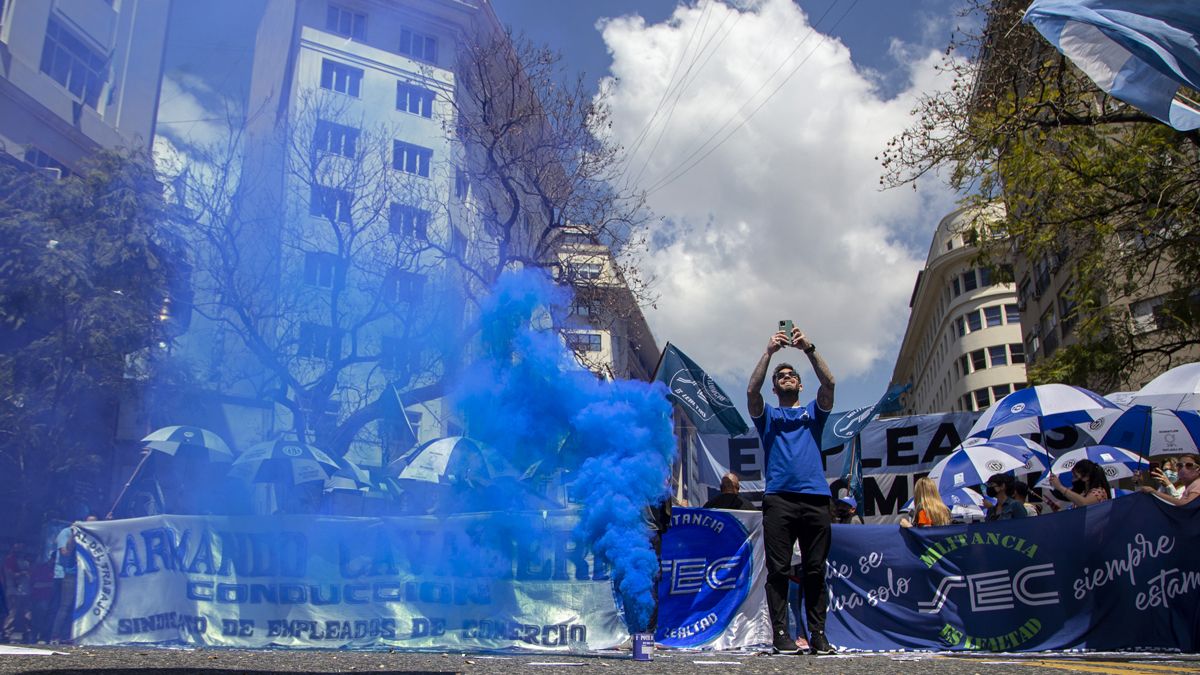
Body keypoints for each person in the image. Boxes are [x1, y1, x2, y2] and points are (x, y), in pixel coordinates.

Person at [747, 324, 836, 655]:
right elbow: (751, 393)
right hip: (779, 500)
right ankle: (781, 634)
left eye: (790, 374)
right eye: (780, 376)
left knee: (815, 569)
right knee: (779, 570)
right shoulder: (767, 416)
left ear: (799, 384)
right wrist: (769, 353)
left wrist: (808, 349)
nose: (785, 376)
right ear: (776, 387)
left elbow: (829, 383)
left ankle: (818, 635)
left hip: (815, 500)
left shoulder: (813, 413)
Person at [3, 542, 32, 642]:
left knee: (26, 612)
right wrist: (22, 574)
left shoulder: (26, 560)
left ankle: (27, 632)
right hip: (14, 591)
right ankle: (5, 633)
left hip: (25, 591)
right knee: (12, 612)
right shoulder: (10, 560)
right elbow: (10, 574)